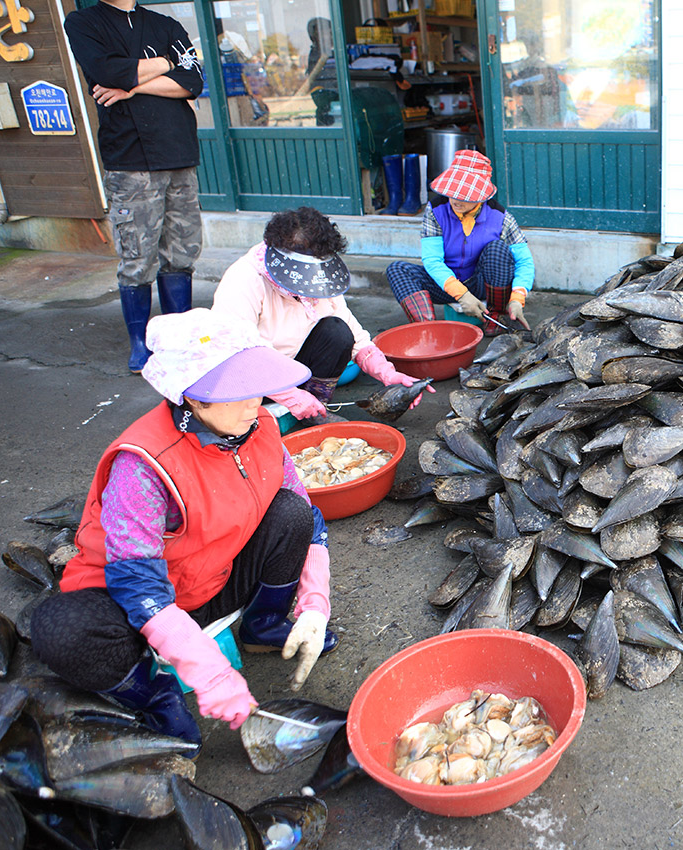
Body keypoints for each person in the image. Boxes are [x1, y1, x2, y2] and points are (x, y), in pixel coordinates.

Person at [31, 310, 337, 749]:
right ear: (194, 398)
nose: (256, 402)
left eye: (256, 386)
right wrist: (210, 675)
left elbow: (308, 516)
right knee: (60, 628)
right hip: (136, 605)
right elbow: (138, 587)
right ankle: (155, 697)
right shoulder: (142, 465)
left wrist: (313, 605)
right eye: (238, 391)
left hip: (211, 579)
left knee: (292, 513)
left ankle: (262, 624)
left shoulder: (260, 426)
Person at [64, 0, 205, 373]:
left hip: (179, 152)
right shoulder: (83, 22)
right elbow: (105, 71)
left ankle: (178, 338)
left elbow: (193, 82)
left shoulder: (163, 23)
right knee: (137, 257)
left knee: (181, 252)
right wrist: (166, 63)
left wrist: (132, 86)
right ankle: (140, 343)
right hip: (129, 159)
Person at [212, 207, 433, 428]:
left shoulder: (320, 276)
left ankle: (315, 408)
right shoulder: (244, 280)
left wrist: (388, 374)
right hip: (248, 377)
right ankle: (282, 412)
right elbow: (239, 358)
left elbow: (355, 335)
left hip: (292, 366)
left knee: (337, 332)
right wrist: (291, 397)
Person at [385, 150, 535, 334]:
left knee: (498, 249)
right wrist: (462, 295)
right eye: (453, 192)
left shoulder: (501, 217)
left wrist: (517, 298)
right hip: (447, 284)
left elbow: (524, 261)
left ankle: (496, 316)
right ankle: (429, 330)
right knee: (397, 269)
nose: (456, 199)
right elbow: (432, 260)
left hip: (482, 284)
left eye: (464, 195)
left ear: (481, 197)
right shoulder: (436, 210)